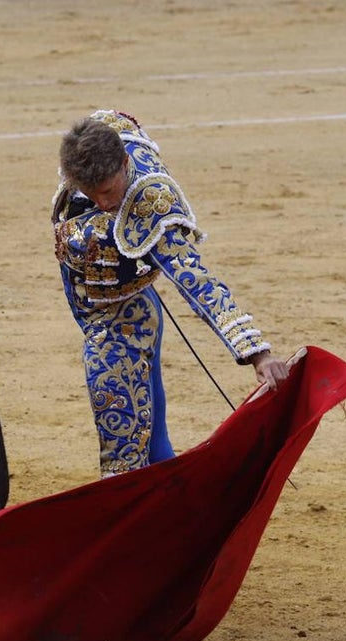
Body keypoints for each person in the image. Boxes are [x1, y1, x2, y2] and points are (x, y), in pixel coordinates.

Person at [51, 109, 289, 477]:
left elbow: (198, 282)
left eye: (110, 191)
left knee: (124, 457)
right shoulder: (100, 143)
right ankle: (176, 491)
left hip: (120, 322)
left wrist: (258, 353)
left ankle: (161, 510)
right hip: (122, 310)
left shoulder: (148, 206)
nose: (103, 203)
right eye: (90, 194)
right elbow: (114, 121)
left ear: (125, 164)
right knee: (149, 429)